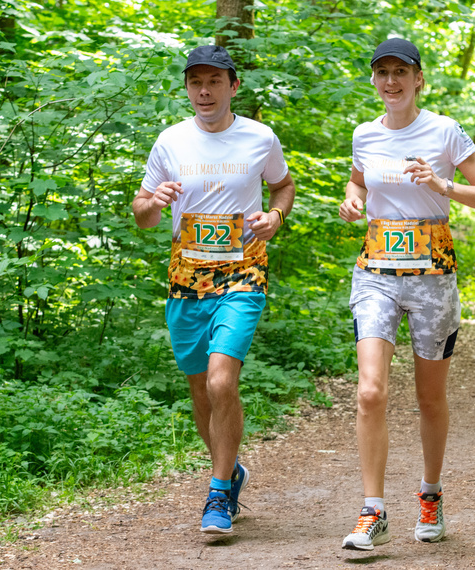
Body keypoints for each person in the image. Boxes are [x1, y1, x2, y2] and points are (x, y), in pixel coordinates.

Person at [338, 38, 475, 550]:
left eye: (400, 72)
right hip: (376, 269)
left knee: (429, 397)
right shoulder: (364, 134)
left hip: (433, 270)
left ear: (418, 79)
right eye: (382, 72)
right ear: (374, 80)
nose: (391, 81)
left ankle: (430, 495)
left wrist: (443, 185)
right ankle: (373, 512)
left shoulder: (445, 131)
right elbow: (358, 184)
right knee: (370, 391)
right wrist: (352, 199)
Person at [131, 45, 295, 535]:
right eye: (195, 83)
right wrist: (152, 202)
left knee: (223, 381)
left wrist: (275, 217)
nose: (204, 91)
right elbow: (143, 215)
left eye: (214, 82)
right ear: (187, 88)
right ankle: (230, 469)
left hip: (243, 273)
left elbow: (282, 186)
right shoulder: (170, 141)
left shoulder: (260, 138)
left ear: (233, 86)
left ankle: (219, 494)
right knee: (201, 388)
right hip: (186, 277)